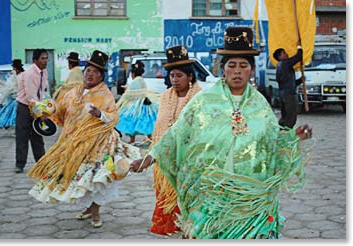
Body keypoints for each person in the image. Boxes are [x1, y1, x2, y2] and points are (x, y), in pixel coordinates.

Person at [130, 27, 313, 239]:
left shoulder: (260, 106)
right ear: (222, 69)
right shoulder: (203, 102)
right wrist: (149, 158)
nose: (237, 71)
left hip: (249, 196)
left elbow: (271, 142)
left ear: (251, 70)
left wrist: (294, 138)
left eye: (243, 66)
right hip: (210, 193)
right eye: (231, 65)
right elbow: (176, 133)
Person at [27, 50, 141, 228]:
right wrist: (46, 113)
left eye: (96, 72)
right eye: (88, 70)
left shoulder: (105, 94)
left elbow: (114, 116)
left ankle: (95, 212)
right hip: (73, 142)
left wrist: (99, 114)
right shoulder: (74, 92)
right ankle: (89, 208)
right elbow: (61, 110)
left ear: (102, 76)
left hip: (98, 143)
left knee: (96, 177)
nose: (91, 75)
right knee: (82, 178)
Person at [149, 45, 202, 236]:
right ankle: (172, 227)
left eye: (179, 75)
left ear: (190, 76)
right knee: (166, 194)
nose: (175, 79)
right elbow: (160, 123)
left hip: (188, 159)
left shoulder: (200, 98)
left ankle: (189, 228)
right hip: (164, 158)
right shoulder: (165, 97)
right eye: (172, 75)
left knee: (187, 197)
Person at [15, 49, 49, 173]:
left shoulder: (44, 73)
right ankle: (20, 164)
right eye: (42, 58)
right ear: (35, 60)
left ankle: (42, 163)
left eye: (46, 58)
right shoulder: (30, 73)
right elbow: (30, 96)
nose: (45, 61)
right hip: (25, 106)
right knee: (22, 136)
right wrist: (40, 112)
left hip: (36, 105)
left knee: (37, 135)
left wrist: (45, 109)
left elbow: (41, 93)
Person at [115, 60, 159, 144]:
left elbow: (130, 94)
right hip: (142, 104)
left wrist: (126, 91)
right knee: (145, 122)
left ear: (132, 73)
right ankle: (150, 138)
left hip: (137, 105)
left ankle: (133, 139)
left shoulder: (135, 81)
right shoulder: (141, 80)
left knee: (132, 121)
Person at [273, 43, 304, 128]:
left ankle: (280, 131)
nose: (287, 54)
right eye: (284, 53)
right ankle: (286, 135)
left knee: (285, 117)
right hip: (288, 95)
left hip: (284, 94)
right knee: (291, 118)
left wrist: (300, 80)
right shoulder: (285, 63)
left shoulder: (280, 66)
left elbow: (288, 82)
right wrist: (299, 47)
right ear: (279, 56)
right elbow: (298, 57)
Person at [0, 59, 24, 128]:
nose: (13, 69)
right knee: (9, 112)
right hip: (14, 98)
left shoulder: (22, 76)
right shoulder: (13, 76)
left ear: (18, 68)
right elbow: (7, 85)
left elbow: (20, 87)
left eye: (14, 68)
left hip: (19, 98)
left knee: (13, 113)